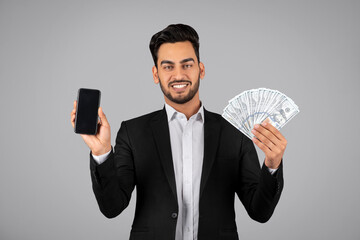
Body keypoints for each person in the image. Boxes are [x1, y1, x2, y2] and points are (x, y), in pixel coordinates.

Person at [70, 24, 287, 240]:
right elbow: (112, 207)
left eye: (187, 65)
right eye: (168, 67)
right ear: (156, 74)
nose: (178, 75)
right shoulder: (133, 132)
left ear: (201, 69)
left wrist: (272, 164)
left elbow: (260, 212)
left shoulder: (235, 132)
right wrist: (102, 153)